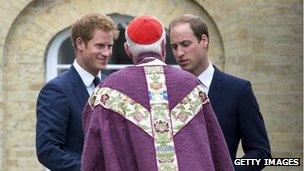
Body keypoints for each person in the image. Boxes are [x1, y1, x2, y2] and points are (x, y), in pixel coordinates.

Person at [81, 15, 233, 171]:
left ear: (127, 50)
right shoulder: (192, 87)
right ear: (164, 46)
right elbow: (218, 151)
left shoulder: (106, 92)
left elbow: (93, 158)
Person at [169, 14, 271, 170]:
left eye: (185, 44)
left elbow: (260, 153)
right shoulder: (168, 92)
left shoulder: (238, 90)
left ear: (204, 41)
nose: (179, 53)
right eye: (174, 46)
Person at [36, 13, 118, 171]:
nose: (107, 53)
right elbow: (48, 150)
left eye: (110, 46)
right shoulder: (56, 90)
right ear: (80, 43)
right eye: (100, 46)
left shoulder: (112, 87)